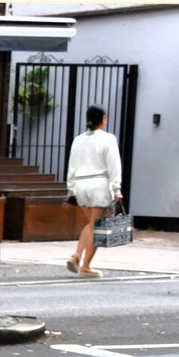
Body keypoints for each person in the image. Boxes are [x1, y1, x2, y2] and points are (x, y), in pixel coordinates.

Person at [65, 105, 123, 278]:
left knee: (91, 224)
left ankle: (76, 255)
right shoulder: (108, 139)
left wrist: (71, 189)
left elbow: (72, 166)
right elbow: (114, 165)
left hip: (81, 185)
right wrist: (116, 189)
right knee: (96, 228)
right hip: (100, 184)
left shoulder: (78, 139)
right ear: (104, 119)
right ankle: (85, 267)